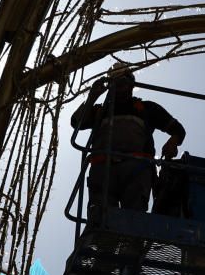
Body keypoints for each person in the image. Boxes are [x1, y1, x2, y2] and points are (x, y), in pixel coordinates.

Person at [71, 63, 186, 220]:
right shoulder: (99, 111)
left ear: (131, 84)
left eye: (123, 82)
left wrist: (172, 142)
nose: (119, 88)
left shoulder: (146, 109)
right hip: (103, 170)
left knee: (133, 221)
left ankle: (132, 243)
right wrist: (92, 97)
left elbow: (178, 130)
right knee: (99, 221)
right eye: (115, 83)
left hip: (136, 170)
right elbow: (76, 123)